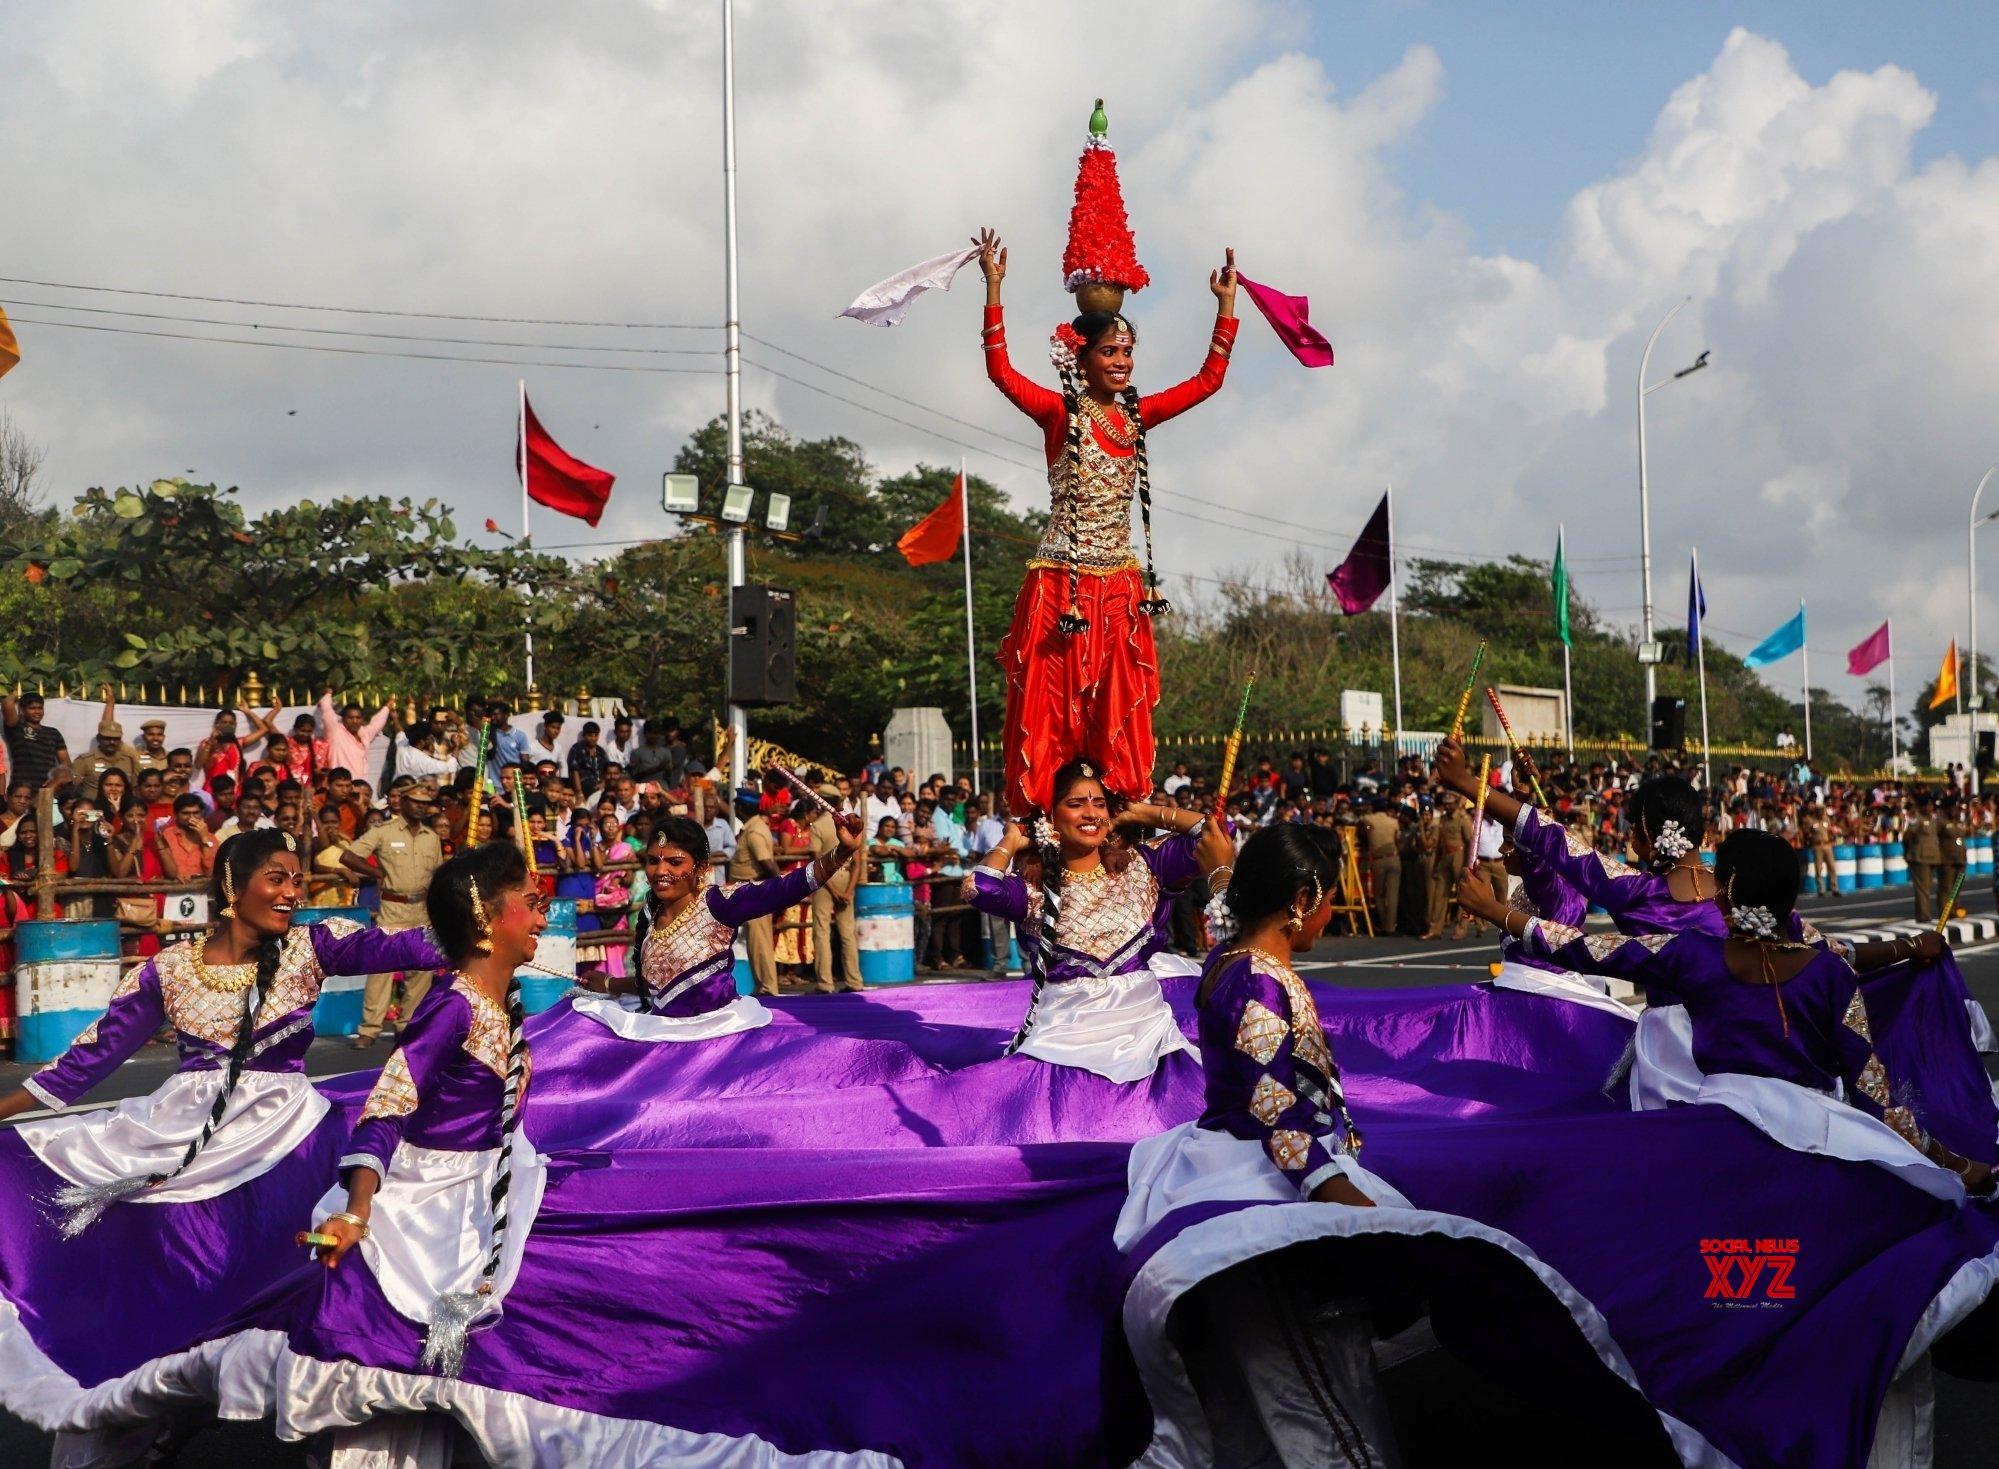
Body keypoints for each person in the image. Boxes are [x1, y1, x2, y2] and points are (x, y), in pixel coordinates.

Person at [0, 830, 444, 1429]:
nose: (293, 892)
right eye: (278, 878)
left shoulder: (313, 947)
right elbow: (87, 1061)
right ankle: (161, 1405)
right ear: (234, 886)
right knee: (182, 1284)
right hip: (184, 1142)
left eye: (298, 880)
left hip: (290, 1135)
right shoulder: (170, 971)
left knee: (297, 1270)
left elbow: (417, 946)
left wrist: (476, 911)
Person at [1460, 830, 1995, 1197]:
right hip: (1815, 1141)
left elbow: (1584, 947)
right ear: (1792, 902)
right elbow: (1874, 1096)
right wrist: (1946, 1161)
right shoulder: (1829, 973)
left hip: (1713, 1130)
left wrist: (1497, 911)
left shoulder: (1691, 955)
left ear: (1725, 896)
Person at [1114, 821, 1405, 1468]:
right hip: (1270, 1204)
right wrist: (1351, 1205)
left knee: (1254, 1417)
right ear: (1302, 897)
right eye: (1327, 896)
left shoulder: (1236, 953)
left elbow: (1226, 913)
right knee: (1322, 1407)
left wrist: (1222, 870)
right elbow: (1275, 1108)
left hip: (1249, 1184)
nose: (1330, 911)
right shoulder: (1258, 982)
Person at [975, 207, 1236, 818]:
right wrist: (993, 289)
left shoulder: (1137, 416)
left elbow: (1208, 380)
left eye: (1128, 353)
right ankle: (1042, 821)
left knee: (1118, 708)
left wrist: (1224, 307)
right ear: (1082, 357)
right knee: (1050, 708)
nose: (1122, 362)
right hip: (1060, 585)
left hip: (1119, 586)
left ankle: (1117, 814)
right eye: (1112, 352)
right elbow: (999, 372)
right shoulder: (1060, 414)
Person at [306, 842, 545, 1382]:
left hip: (493, 1176)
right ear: (487, 917)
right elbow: (389, 1102)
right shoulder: (451, 1007)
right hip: (433, 1199)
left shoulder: (503, 1002)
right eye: (531, 903)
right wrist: (357, 1212)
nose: (541, 916)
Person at [965, 758, 1232, 1081]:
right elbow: (979, 888)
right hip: (1059, 1052)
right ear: (1049, 817)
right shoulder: (1031, 887)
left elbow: (1218, 833)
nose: (1091, 814)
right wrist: (1013, 838)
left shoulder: (1144, 865)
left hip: (1148, 1043)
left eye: (1100, 804)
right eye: (1075, 804)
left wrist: (1141, 812)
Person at [564, 813, 862, 1043]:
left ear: (702, 867)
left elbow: (784, 888)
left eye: (675, 862)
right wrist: (608, 985)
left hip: (718, 1041)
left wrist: (842, 852)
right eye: (653, 861)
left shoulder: (718, 904)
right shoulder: (650, 911)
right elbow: (659, 981)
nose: (661, 871)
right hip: (665, 1037)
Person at [341, 781, 445, 1048]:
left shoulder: (432, 838)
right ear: (403, 802)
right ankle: (370, 1029)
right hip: (392, 907)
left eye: (425, 804)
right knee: (381, 969)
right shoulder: (383, 832)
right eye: (415, 802)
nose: (420, 808)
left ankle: (407, 1026)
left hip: (422, 909)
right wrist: (378, 874)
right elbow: (349, 857)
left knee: (420, 970)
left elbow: (438, 877)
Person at [727, 787, 782, 999]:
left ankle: (768, 988)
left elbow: (767, 864)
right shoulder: (753, 827)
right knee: (755, 942)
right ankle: (763, 986)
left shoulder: (755, 831)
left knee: (760, 943)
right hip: (749, 891)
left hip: (756, 890)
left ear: (741, 808)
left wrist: (778, 891)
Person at [808, 783, 863, 994]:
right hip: (846, 876)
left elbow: (816, 862)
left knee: (821, 930)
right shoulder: (850, 823)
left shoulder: (818, 826)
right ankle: (854, 980)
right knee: (847, 932)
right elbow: (857, 862)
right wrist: (848, 890)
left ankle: (825, 982)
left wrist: (834, 890)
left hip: (825, 880)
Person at [2, 691, 69, 792]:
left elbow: (66, 762)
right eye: (32, 708)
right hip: (21, 789)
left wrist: (57, 777)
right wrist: (16, 694)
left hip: (47, 790)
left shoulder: (54, 733)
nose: (37, 712)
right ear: (22, 710)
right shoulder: (16, 727)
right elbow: (7, 703)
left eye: (40, 708)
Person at [1359, 797, 1399, 935]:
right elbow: (1397, 838)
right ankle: (1391, 927)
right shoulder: (1394, 822)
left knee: (1379, 894)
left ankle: (1383, 923)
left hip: (1378, 859)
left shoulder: (1367, 819)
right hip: (1394, 857)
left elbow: (1363, 828)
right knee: (1392, 894)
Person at [1906, 797, 1940, 922]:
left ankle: (1924, 913)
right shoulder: (1917, 818)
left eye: (1931, 805)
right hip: (1920, 858)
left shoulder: (1933, 819)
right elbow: (1908, 835)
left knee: (1927, 888)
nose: (1930, 808)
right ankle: (1923, 915)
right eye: (1928, 805)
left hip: (1932, 858)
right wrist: (1909, 851)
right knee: (1922, 889)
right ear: (1922, 807)